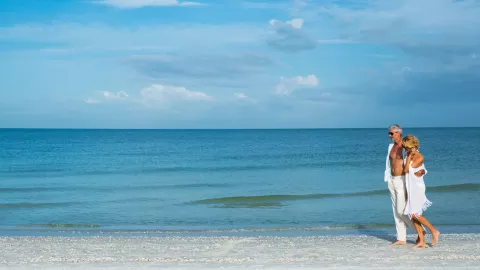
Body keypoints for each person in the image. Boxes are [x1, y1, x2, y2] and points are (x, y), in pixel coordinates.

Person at [385, 124, 425, 246]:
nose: (390, 135)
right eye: (389, 133)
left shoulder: (405, 145)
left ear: (399, 133)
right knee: (395, 212)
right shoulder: (391, 146)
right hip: (392, 180)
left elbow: (417, 157)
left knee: (401, 211)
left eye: (392, 133)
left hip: (402, 180)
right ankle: (401, 238)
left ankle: (420, 231)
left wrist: (423, 170)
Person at [402, 135, 440, 248]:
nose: (405, 150)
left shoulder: (419, 157)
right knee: (412, 214)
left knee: (415, 214)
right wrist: (409, 155)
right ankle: (422, 241)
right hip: (410, 187)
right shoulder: (409, 153)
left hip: (417, 187)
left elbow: (407, 170)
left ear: (413, 146)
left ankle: (434, 231)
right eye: (405, 148)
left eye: (407, 148)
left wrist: (408, 156)